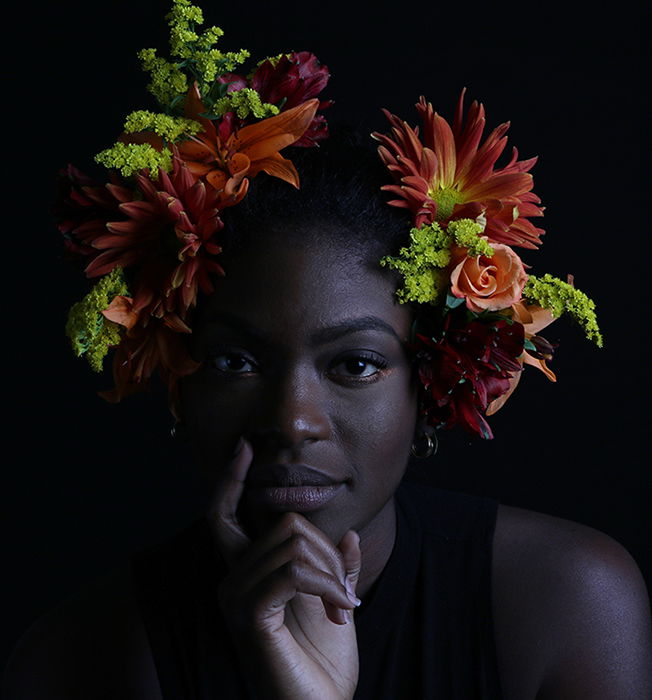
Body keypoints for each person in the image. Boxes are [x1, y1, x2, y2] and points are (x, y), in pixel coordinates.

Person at [3, 2, 651, 697]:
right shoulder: (78, 661)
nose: (292, 419)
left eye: (354, 364)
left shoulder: (564, 603)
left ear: (431, 386)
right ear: (175, 379)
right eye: (235, 361)